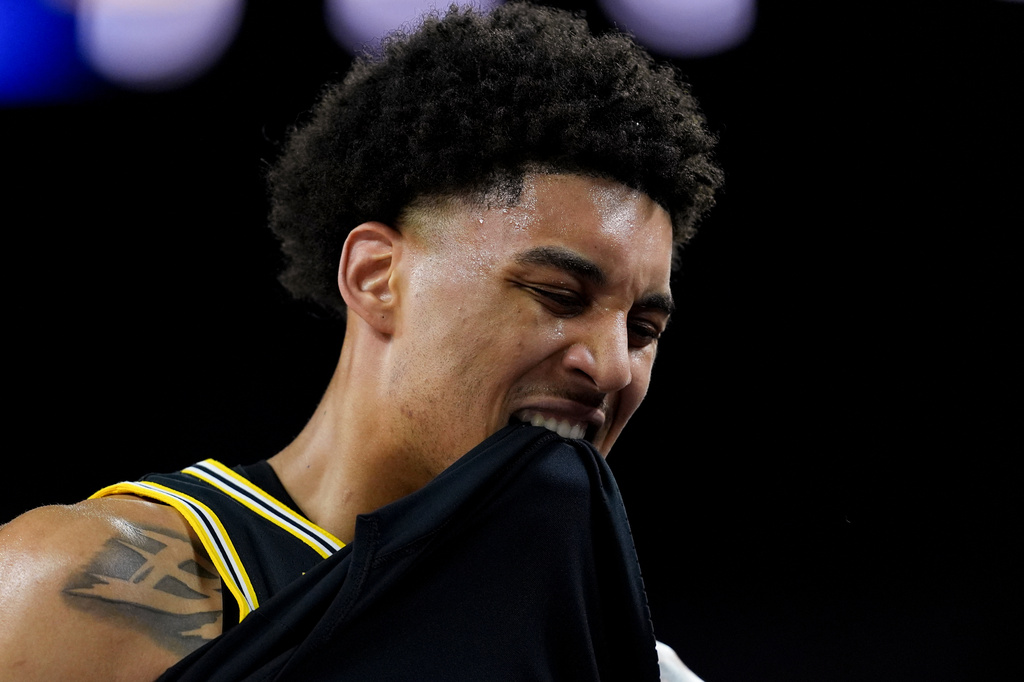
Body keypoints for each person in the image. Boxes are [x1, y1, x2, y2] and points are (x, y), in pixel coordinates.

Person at [0, 3, 721, 680]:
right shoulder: (82, 587)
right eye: (558, 296)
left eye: (643, 330)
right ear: (377, 277)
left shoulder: (631, 666)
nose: (611, 366)